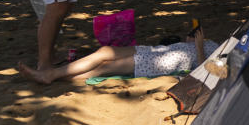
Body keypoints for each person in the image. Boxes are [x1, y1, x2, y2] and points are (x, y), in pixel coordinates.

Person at [17, 28, 219, 85]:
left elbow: (203, 75)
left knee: (104, 68)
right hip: (158, 51)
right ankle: (52, 74)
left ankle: (52, 75)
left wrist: (199, 47)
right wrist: (191, 40)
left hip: (162, 63)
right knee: (105, 52)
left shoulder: (224, 59)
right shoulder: (221, 46)